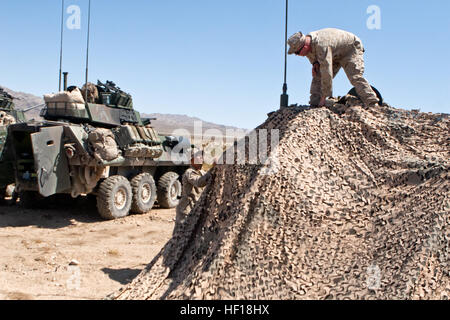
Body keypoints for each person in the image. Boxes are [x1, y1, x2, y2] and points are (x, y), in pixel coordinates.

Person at [287, 28, 380, 108]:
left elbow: (327, 73)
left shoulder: (321, 45)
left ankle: (372, 103)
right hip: (334, 53)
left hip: (350, 49)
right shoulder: (308, 43)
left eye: (297, 53)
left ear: (304, 47)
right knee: (318, 75)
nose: (297, 55)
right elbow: (312, 56)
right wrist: (315, 63)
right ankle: (314, 104)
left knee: (355, 76)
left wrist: (324, 97)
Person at [173, 151, 215, 234]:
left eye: (202, 157)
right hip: (186, 209)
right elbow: (199, 182)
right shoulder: (189, 172)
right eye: (198, 157)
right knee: (180, 233)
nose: (201, 159)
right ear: (192, 159)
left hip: (197, 208)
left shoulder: (202, 172)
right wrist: (213, 169)